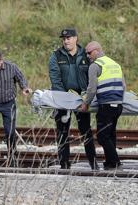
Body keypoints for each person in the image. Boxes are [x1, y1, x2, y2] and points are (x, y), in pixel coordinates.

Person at [48, 28, 98, 170]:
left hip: (81, 99)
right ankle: (64, 164)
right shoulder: (56, 56)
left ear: (76, 38)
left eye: (69, 38)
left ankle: (93, 164)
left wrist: (87, 98)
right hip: (63, 99)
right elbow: (55, 78)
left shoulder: (85, 55)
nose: (66, 41)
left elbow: (92, 77)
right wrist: (63, 98)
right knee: (62, 132)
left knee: (85, 131)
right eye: (64, 39)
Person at [79, 41, 125, 170]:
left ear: (97, 51)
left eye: (89, 53)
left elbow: (92, 89)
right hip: (118, 105)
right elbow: (124, 86)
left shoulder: (95, 66)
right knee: (111, 134)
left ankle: (116, 162)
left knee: (102, 136)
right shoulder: (115, 64)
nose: (87, 56)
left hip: (106, 105)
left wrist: (85, 103)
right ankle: (110, 163)